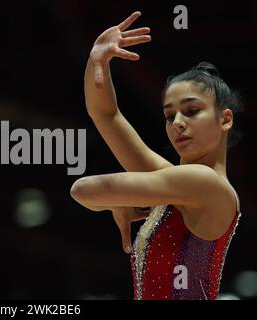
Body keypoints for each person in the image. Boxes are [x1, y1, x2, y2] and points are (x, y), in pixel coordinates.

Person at [70, 11, 243, 300]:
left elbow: (84, 189)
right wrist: (97, 61)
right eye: (168, 115)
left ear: (225, 119)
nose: (177, 123)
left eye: (191, 111)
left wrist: (121, 196)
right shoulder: (177, 185)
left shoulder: (203, 182)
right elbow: (106, 114)